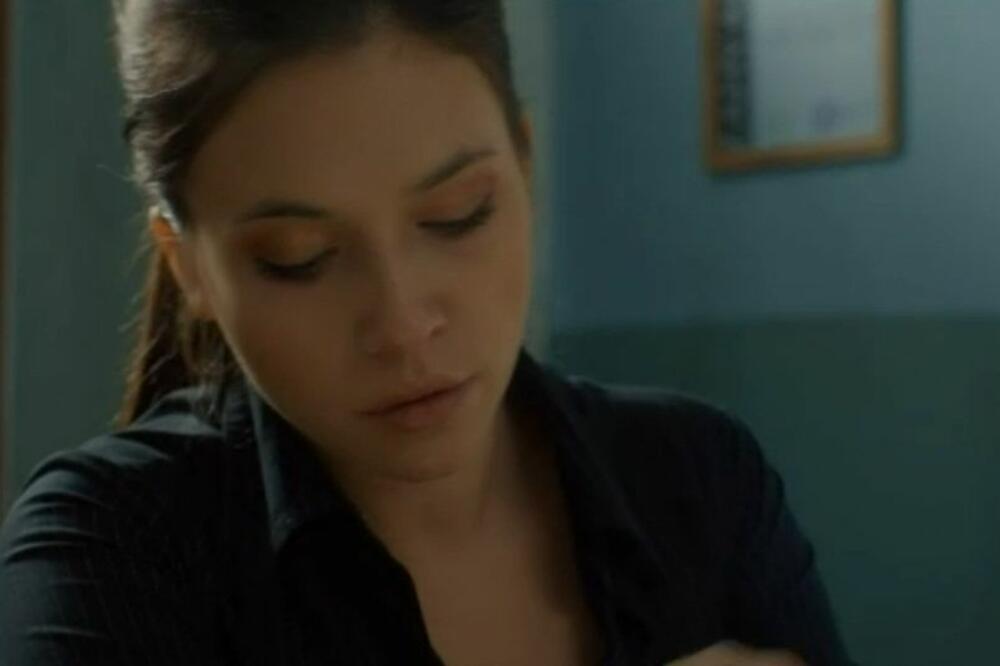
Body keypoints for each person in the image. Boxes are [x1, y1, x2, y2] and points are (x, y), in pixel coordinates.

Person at [0, 1, 854, 664]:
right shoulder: (112, 548)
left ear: (523, 164)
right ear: (188, 267)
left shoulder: (704, 481)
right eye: (300, 259)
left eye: (458, 215)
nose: (405, 325)